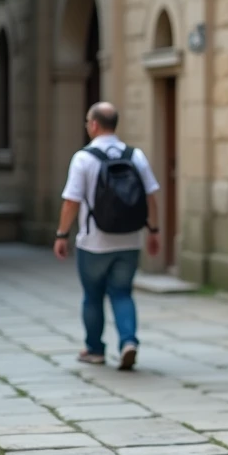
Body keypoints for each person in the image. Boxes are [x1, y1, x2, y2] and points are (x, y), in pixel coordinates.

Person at [54, 102, 161, 370]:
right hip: (130, 240)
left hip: (94, 242)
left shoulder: (84, 158)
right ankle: (128, 341)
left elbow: (71, 202)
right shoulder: (135, 155)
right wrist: (154, 231)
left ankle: (94, 349)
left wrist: (62, 235)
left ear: (93, 125)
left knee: (93, 295)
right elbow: (151, 196)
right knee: (123, 293)